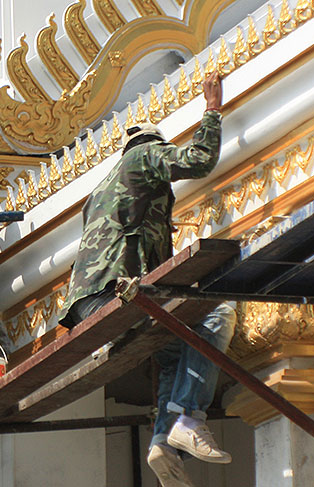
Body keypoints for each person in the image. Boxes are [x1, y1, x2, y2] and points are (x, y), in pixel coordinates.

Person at [59, 72, 236, 487]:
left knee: (173, 353)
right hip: (116, 292)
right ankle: (190, 417)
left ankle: (163, 444)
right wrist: (212, 111)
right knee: (216, 314)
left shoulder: (101, 191)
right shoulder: (143, 156)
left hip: (89, 302)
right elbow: (198, 161)